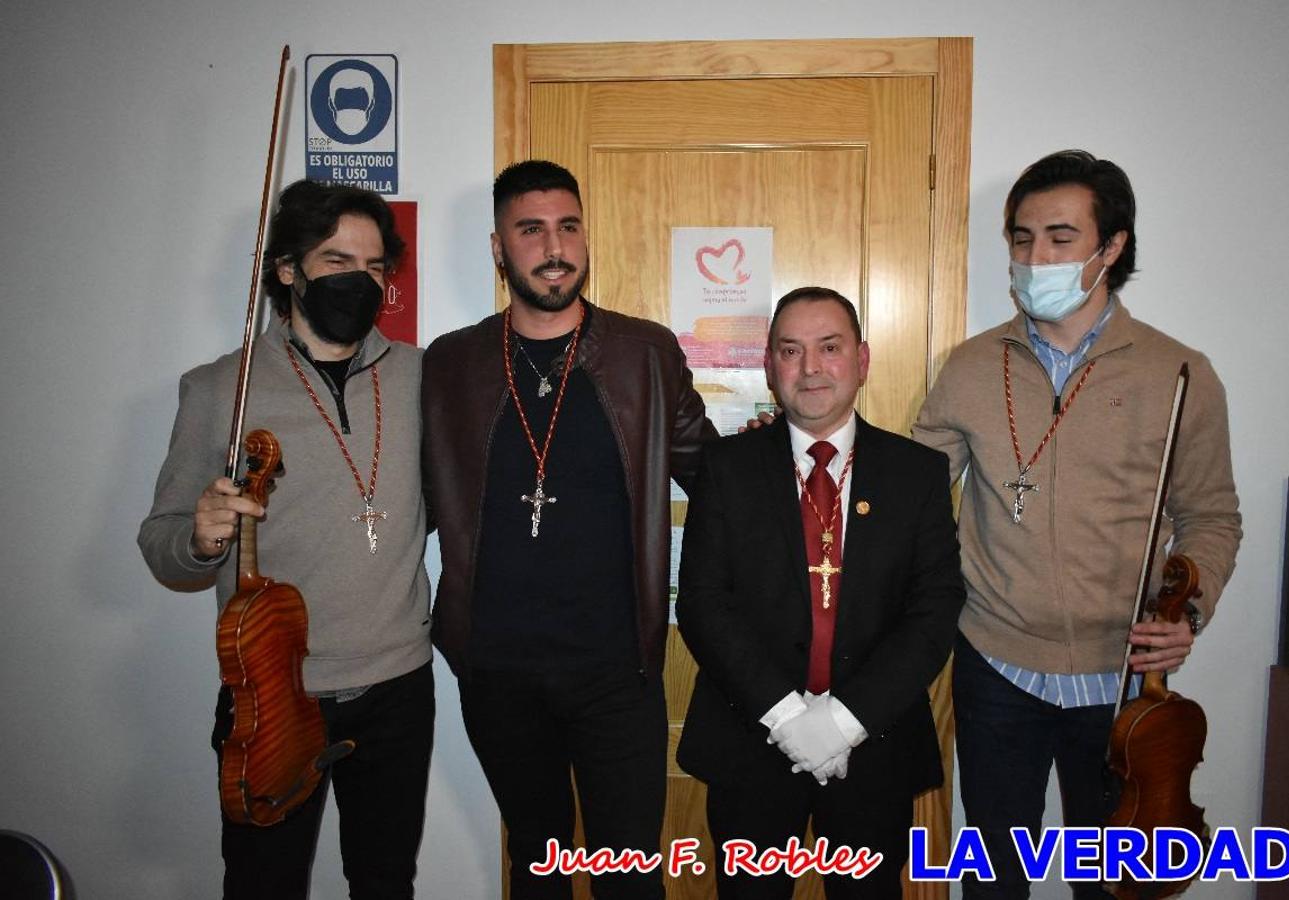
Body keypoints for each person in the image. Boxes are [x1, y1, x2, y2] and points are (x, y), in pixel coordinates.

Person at [911, 149, 1242, 898]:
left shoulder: (1180, 373)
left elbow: (1212, 517)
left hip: (1122, 682)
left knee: (1110, 887)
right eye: (1022, 240)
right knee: (994, 879)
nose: (1036, 258)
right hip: (996, 669)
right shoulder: (967, 365)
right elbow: (913, 502)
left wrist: (1188, 609)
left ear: (1111, 246)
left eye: (1060, 238)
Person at [421, 159, 717, 899]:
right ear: (498, 249)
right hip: (496, 673)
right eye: (531, 229)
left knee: (629, 876)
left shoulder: (645, 352)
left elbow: (714, 477)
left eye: (568, 227)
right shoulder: (450, 363)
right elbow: (408, 493)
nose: (554, 247)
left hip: (617, 671)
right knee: (537, 866)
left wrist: (814, 456)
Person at [139, 180, 434, 899]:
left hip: (398, 687)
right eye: (336, 261)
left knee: (386, 881)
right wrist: (201, 541)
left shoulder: (422, 376)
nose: (356, 282)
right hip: (272, 692)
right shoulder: (220, 388)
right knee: (262, 884)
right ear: (286, 270)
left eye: (371, 268)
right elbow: (163, 538)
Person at [676, 287, 966, 898]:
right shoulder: (725, 468)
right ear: (769, 365)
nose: (810, 368)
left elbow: (934, 611)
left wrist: (843, 720)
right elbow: (702, 603)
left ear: (861, 360)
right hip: (751, 743)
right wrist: (788, 719)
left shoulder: (916, 473)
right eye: (791, 350)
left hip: (875, 746)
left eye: (829, 348)